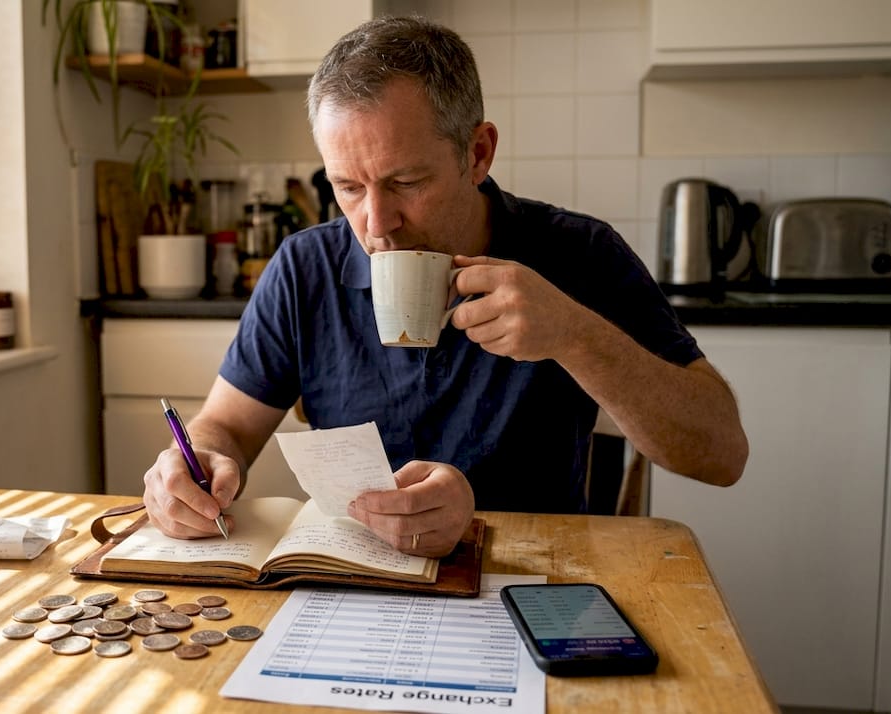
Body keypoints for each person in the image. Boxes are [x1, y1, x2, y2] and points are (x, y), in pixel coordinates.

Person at [142, 15, 748, 558]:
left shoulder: (578, 254)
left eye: (406, 181)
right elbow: (226, 426)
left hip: (528, 581)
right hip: (359, 581)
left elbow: (722, 454)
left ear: (478, 153)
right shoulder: (307, 267)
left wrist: (573, 334)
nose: (376, 226)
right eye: (348, 187)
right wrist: (194, 462)